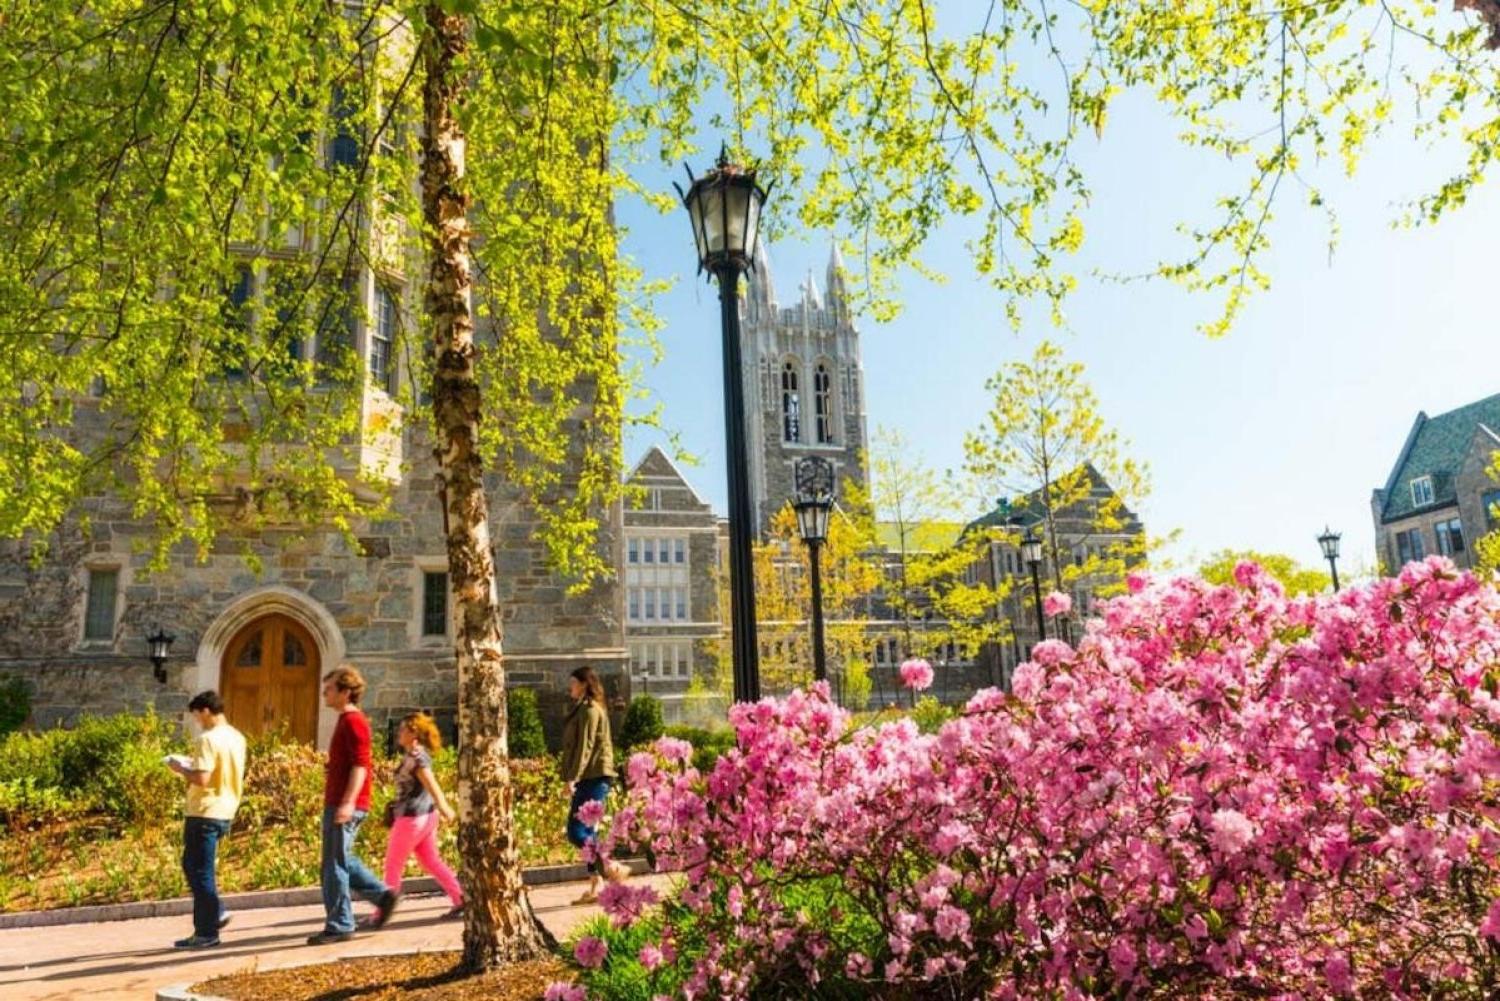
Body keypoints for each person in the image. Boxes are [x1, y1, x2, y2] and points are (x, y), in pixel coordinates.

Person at [309, 665, 397, 945]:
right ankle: (382, 895)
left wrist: (347, 803)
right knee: (342, 859)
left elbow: (362, 765)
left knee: (333, 865)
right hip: (340, 801)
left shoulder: (354, 721)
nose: (324, 692)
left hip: (344, 804)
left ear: (346, 692)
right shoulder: (345, 720)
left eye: (330, 688)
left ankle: (340, 924)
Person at [168, 689, 246, 950]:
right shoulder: (237, 737)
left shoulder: (207, 739)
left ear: (205, 711)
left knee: (199, 871)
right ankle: (215, 913)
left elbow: (202, 778)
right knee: (195, 866)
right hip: (226, 807)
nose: (197, 721)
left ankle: (207, 930)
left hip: (204, 809)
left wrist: (180, 768)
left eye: (197, 716)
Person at [378, 712, 464, 921]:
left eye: (403, 729)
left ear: (413, 733)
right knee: (431, 861)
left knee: (392, 864)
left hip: (412, 819)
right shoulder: (414, 755)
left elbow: (431, 783)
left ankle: (382, 912)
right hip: (425, 816)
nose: (399, 732)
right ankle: (460, 898)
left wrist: (445, 806)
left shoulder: (417, 758)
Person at [559, 665, 628, 904]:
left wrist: (572, 778)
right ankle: (597, 884)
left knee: (576, 831)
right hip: (591, 776)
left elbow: (585, 748)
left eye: (574, 683)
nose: (570, 688)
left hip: (594, 776)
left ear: (584, 684)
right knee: (587, 833)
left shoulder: (589, 711)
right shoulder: (584, 709)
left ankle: (611, 866)